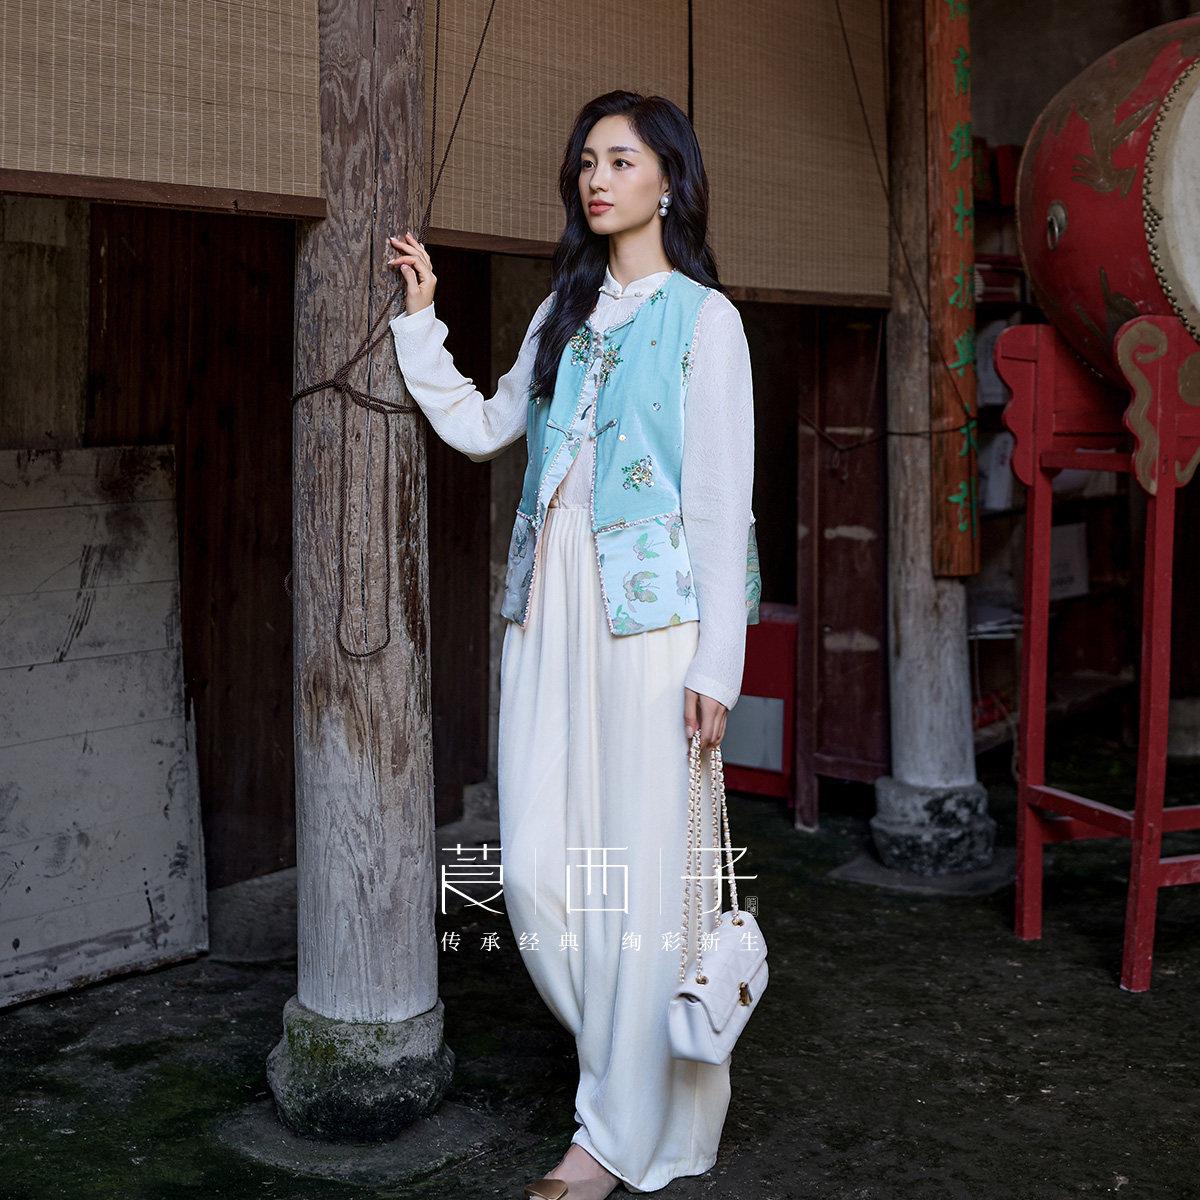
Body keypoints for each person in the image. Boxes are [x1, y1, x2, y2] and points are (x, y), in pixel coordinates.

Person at [386, 89, 758, 1199]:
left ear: (670, 181)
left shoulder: (707, 322)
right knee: (539, 870)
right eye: (588, 161)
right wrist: (421, 321)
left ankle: (611, 1134)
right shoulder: (561, 313)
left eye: (623, 160)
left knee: (643, 879)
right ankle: (625, 1085)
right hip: (546, 613)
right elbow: (485, 427)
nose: (598, 178)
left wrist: (718, 665)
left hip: (653, 629)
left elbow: (720, 505)